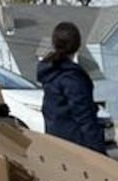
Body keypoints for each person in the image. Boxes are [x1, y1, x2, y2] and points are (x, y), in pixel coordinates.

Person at [36, 22, 106, 154]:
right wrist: (99, 151)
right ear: (77, 45)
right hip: (76, 145)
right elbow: (83, 116)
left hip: (55, 140)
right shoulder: (71, 77)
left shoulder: (50, 73)